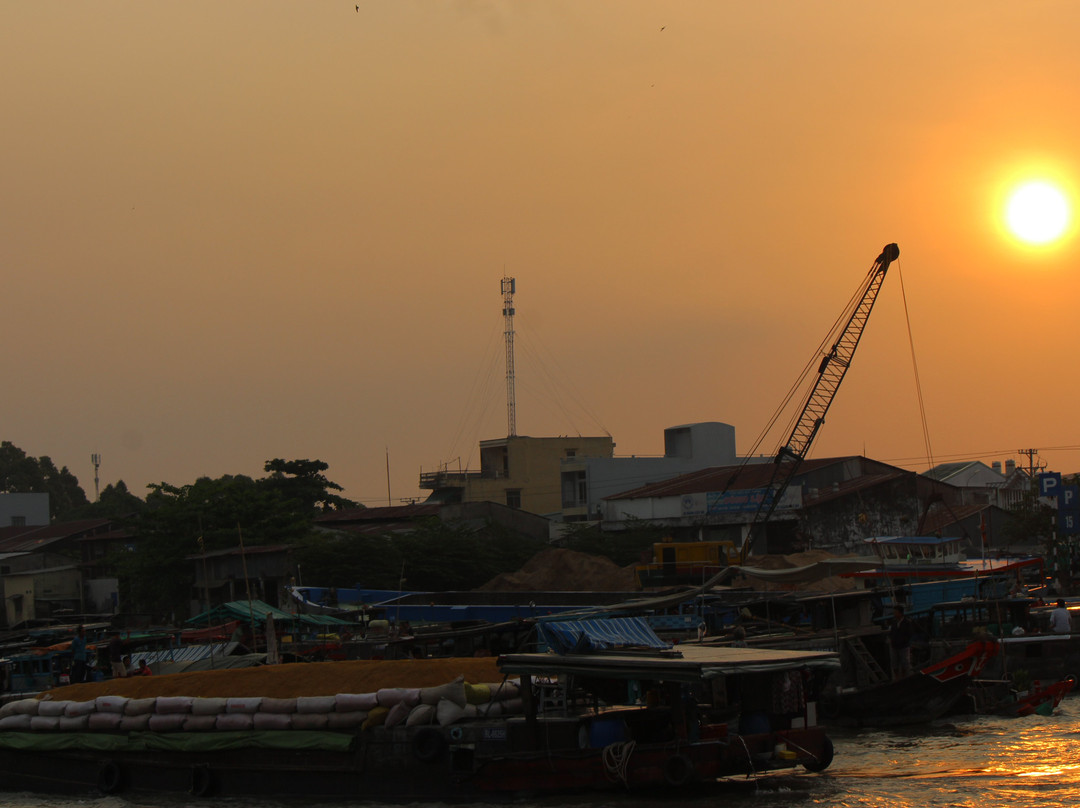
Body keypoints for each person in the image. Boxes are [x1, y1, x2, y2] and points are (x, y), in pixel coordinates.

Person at [888, 605, 914, 680]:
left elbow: (909, 634)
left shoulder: (907, 622)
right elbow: (891, 632)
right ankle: (897, 677)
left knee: (904, 662)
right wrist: (892, 639)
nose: (894, 614)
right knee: (894, 663)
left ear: (900, 613)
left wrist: (903, 641)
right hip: (895, 646)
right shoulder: (894, 622)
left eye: (896, 612)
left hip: (903, 646)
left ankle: (904, 677)